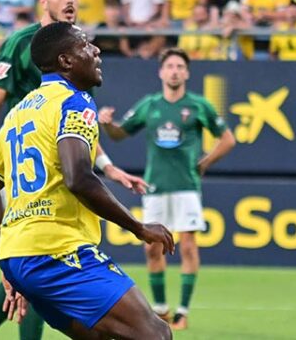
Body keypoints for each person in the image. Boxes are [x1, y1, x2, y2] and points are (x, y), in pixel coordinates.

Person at [0, 0, 146, 340]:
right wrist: (138, 228)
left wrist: (107, 165)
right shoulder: (24, 46)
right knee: (150, 331)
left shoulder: (53, 97)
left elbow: (71, 134)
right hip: (35, 185)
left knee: (26, 266)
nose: (71, 0)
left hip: (19, 157)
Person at [98, 47, 236, 331]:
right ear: (161, 72)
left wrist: (205, 162)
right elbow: (121, 133)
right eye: (170, 66)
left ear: (186, 72)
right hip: (156, 186)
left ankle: (183, 311)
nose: (174, 71)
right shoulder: (150, 104)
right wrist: (109, 125)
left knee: (187, 245)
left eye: (179, 67)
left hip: (186, 186)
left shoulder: (199, 105)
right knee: (153, 248)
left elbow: (228, 138)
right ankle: (161, 310)